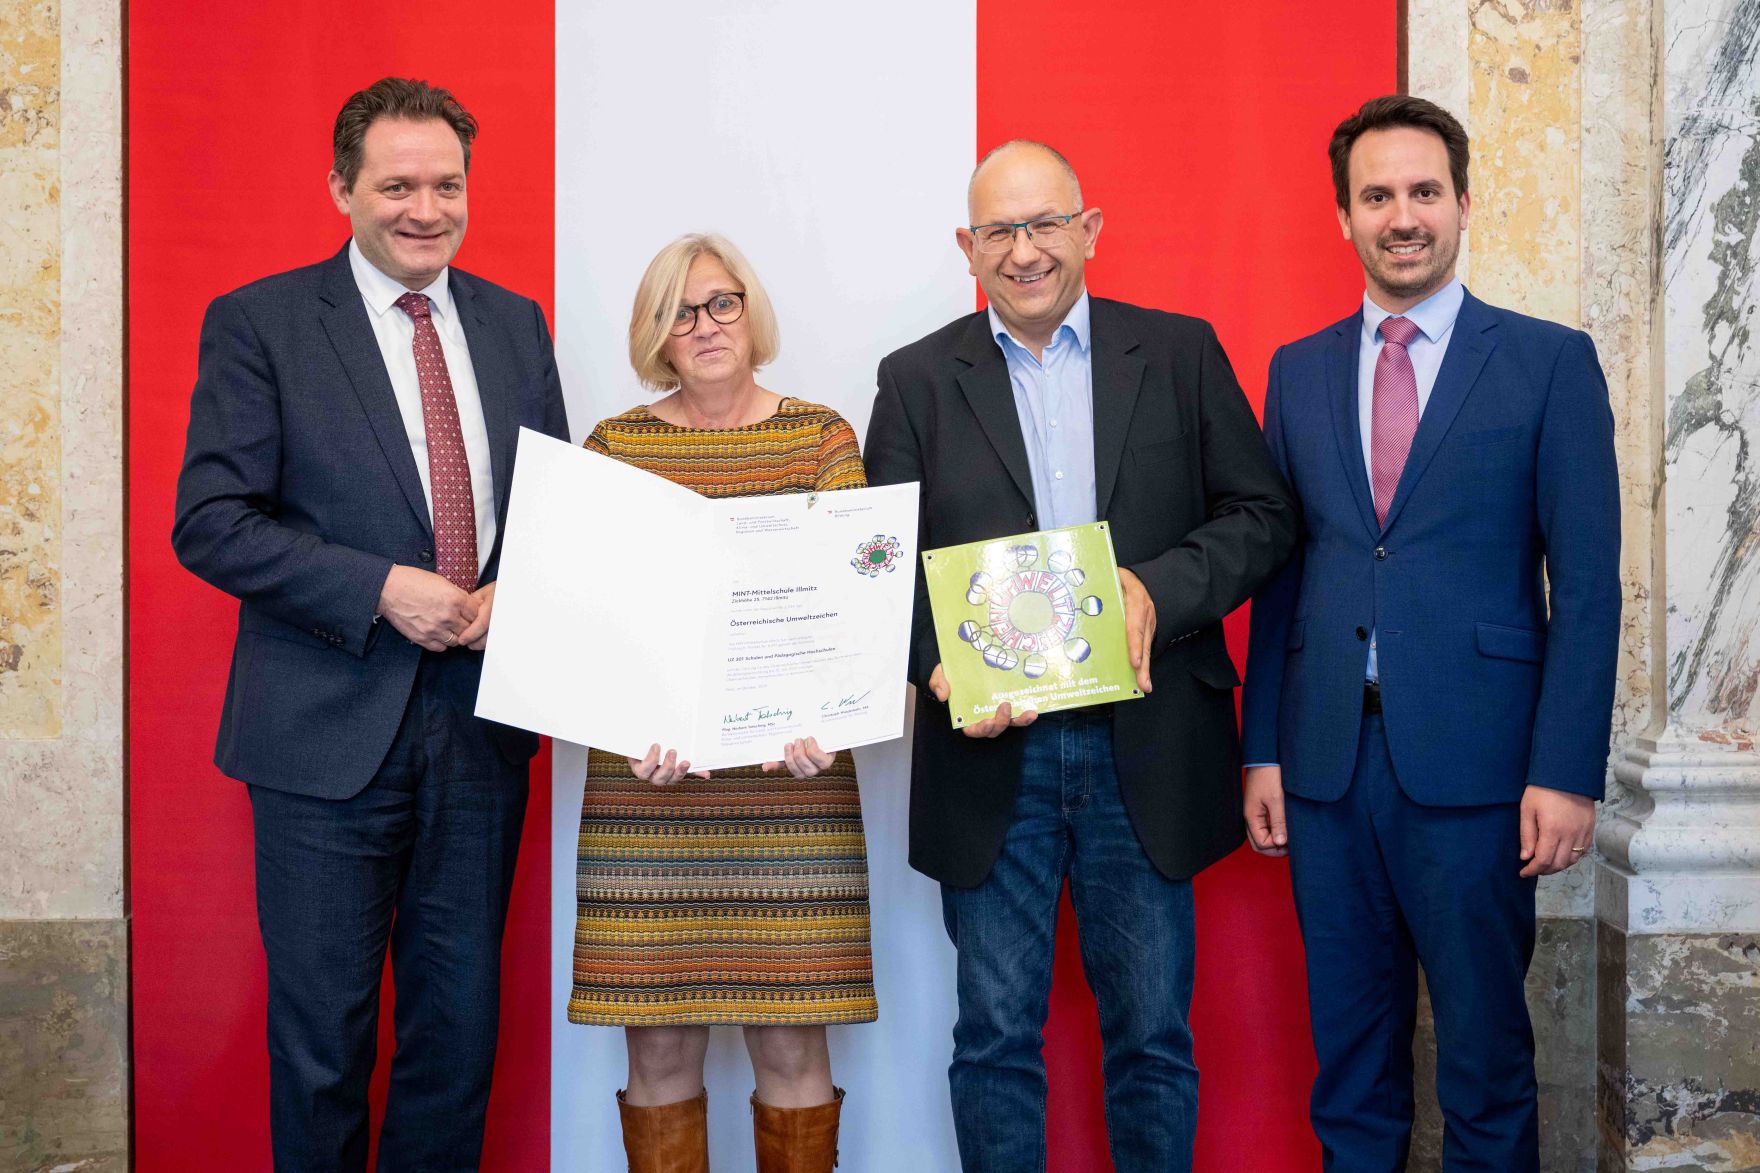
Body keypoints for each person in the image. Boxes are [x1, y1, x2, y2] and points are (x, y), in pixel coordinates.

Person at [864, 141, 1298, 1172]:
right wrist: (934, 669)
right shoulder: (916, 380)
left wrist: (1156, 589)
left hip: (1141, 746)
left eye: (1044, 224)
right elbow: (876, 563)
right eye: (1000, 232)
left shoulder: (1180, 353)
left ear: (1088, 228)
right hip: (988, 757)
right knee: (993, 1041)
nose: (1025, 252)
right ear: (967, 249)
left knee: (1151, 1039)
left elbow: (1261, 516)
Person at [171, 77, 569, 1170]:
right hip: (320, 737)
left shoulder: (511, 322)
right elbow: (208, 522)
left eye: (446, 185)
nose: (425, 209)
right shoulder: (261, 324)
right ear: (342, 187)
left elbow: (554, 513)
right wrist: (379, 587)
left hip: (480, 733)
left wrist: (516, 593)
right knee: (322, 1046)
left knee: (456, 1039)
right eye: (397, 185)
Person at [1240, 95, 1620, 1171]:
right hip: (1323, 768)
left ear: (1460, 203)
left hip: (1481, 773)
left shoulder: (1548, 362)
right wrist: (1261, 744)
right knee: (1349, 1066)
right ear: (1342, 218)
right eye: (1375, 197)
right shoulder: (1297, 369)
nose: (1399, 216)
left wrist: (1564, 771)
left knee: (1484, 1065)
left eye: (1420, 192)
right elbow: (1282, 570)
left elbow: (1587, 588)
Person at [568, 233, 874, 1173]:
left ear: (751, 313)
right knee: (658, 1045)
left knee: (792, 1042)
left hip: (794, 788)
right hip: (646, 794)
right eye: (680, 311)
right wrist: (624, 725)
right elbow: (589, 625)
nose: (704, 326)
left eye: (722, 303)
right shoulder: (613, 447)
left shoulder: (822, 436)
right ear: (654, 334)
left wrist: (838, 712)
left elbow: (855, 608)